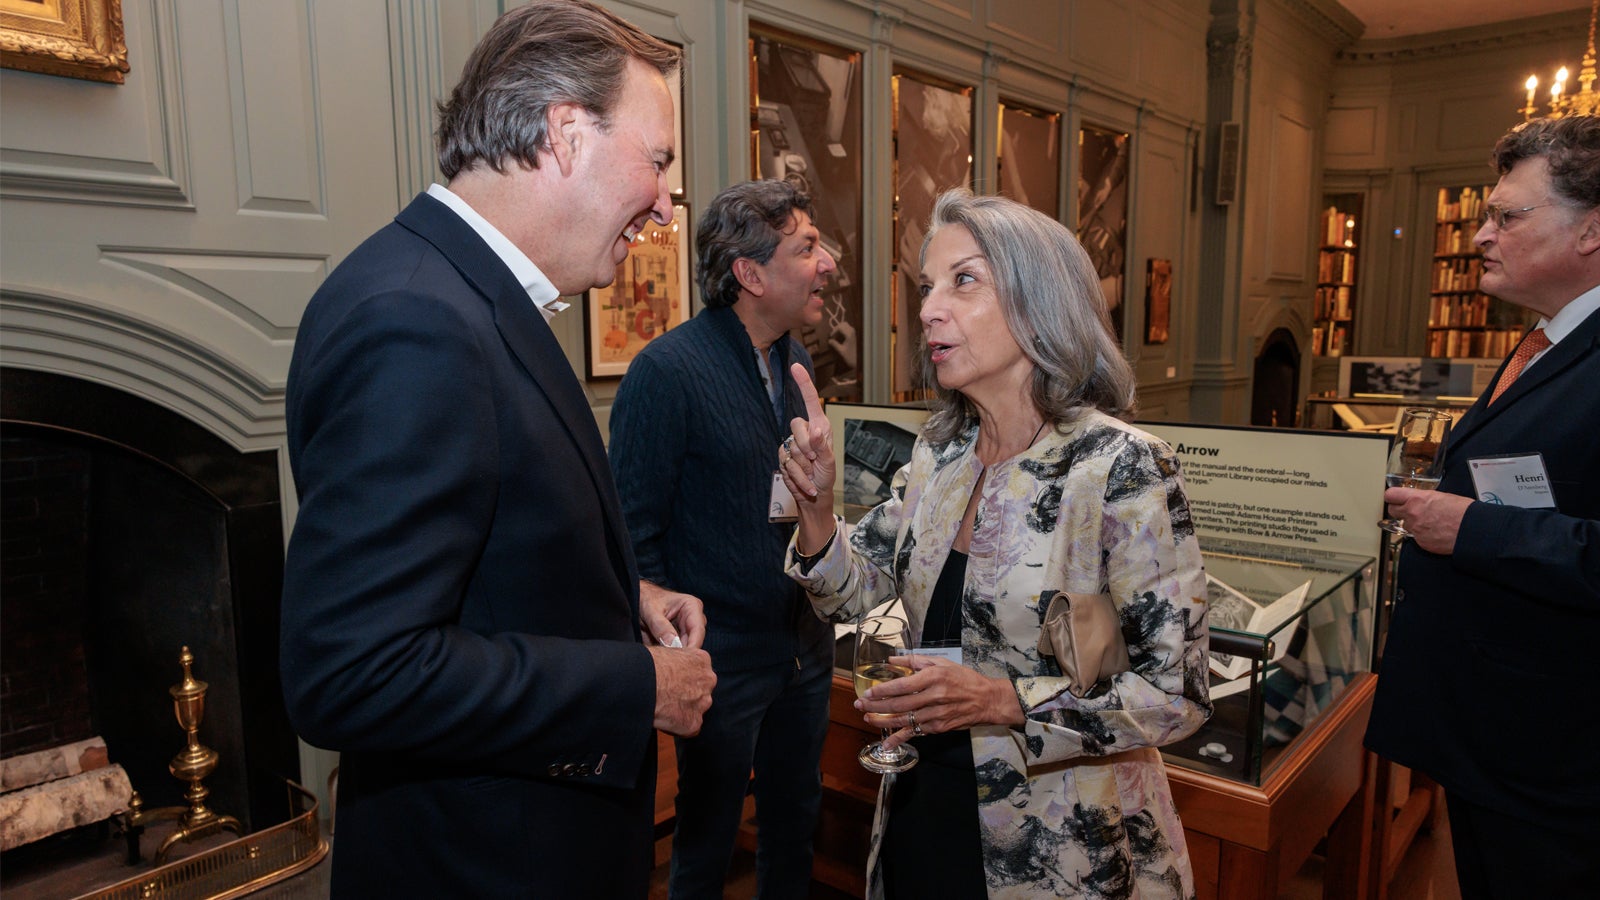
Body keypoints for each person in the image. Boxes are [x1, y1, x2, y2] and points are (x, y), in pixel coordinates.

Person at [278, 3, 716, 896]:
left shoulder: (458, 292)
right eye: (659, 161)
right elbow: (354, 672)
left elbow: (475, 540)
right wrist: (634, 686)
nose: (669, 203)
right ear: (564, 133)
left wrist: (615, 594)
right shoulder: (417, 321)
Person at [778, 188, 1212, 899]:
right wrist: (818, 509)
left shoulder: (1119, 467)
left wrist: (1004, 700)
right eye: (926, 287)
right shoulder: (940, 455)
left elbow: (1176, 697)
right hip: (920, 807)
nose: (927, 309)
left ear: (1037, 301)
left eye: (964, 280)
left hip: (1060, 845)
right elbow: (851, 592)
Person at [1366, 115, 1600, 898]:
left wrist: (1471, 527)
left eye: (1507, 216)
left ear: (1592, 230)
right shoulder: (1547, 340)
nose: (1479, 235)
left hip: (1560, 763)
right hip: (1501, 738)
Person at [608, 180, 839, 899]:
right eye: (806, 247)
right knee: (705, 844)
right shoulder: (666, 373)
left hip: (802, 646)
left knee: (794, 826)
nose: (827, 262)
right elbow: (630, 534)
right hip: (720, 665)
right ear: (750, 273)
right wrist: (673, 656)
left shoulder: (794, 362)